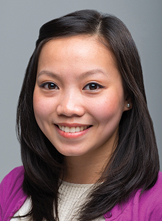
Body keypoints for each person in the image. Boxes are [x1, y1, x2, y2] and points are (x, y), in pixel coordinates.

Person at [0, 9, 162, 221]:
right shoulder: (13, 185)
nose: (68, 108)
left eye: (92, 86)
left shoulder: (156, 202)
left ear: (128, 97)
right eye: (50, 85)